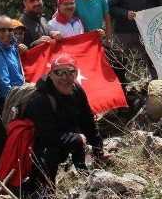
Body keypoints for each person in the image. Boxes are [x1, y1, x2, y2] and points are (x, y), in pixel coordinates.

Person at [22, 54, 104, 196]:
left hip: (67, 140)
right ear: (50, 75)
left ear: (76, 73)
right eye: (59, 72)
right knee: (47, 162)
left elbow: (88, 121)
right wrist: (77, 139)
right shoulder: (40, 100)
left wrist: (99, 149)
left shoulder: (77, 90)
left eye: (70, 72)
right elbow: (47, 136)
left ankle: (84, 184)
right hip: (41, 150)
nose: (65, 78)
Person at [0, 16, 25, 193]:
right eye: (2, 30)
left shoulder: (10, 46)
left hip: (16, 100)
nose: (7, 33)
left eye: (9, 30)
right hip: (5, 106)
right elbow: (5, 86)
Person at [108, 0, 156, 81]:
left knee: (153, 60)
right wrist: (125, 13)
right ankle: (122, 92)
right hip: (123, 32)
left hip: (144, 30)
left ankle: (158, 86)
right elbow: (110, 7)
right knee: (120, 64)